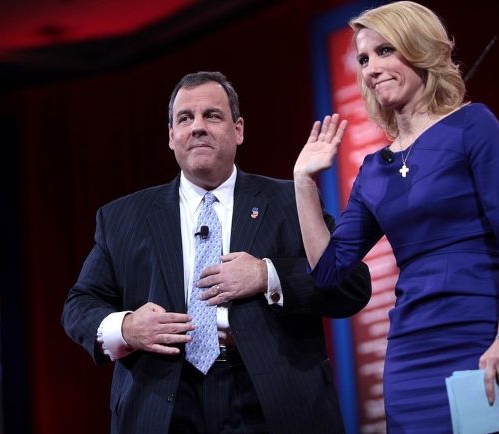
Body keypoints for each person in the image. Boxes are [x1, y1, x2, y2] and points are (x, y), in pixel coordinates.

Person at [62, 71, 371, 434]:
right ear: (171, 136)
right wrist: (127, 328)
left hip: (271, 402)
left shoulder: (288, 201)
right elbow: (79, 304)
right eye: (185, 118)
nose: (197, 127)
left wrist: (266, 275)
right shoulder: (122, 217)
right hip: (164, 405)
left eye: (212, 115)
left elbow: (351, 287)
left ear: (238, 130)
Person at [293, 2, 499, 432]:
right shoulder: (375, 170)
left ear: (420, 49)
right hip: (410, 358)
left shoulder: (474, 126)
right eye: (364, 59)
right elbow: (328, 270)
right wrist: (303, 182)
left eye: (386, 50)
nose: (372, 68)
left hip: (481, 337)